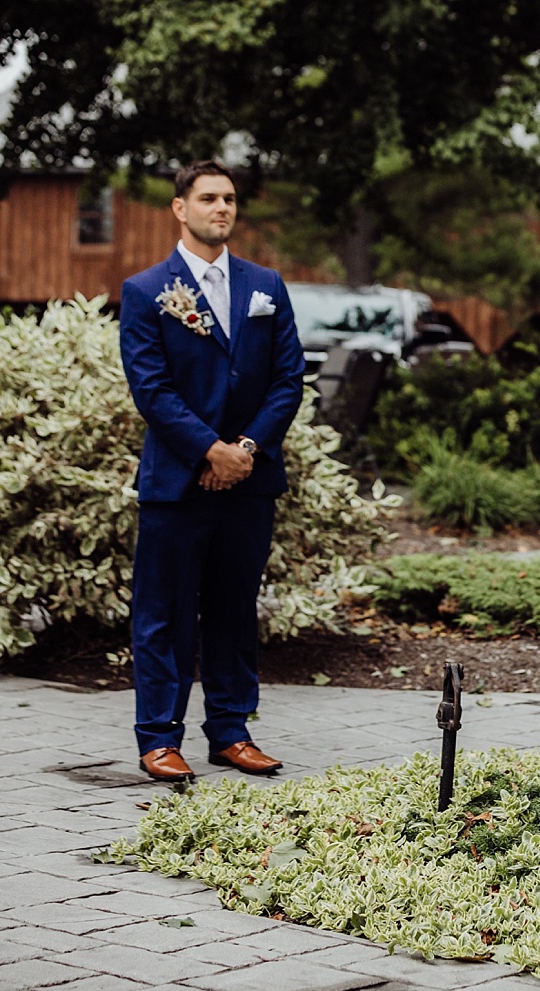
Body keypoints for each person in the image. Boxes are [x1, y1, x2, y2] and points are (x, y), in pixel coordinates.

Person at [119, 160, 306, 782]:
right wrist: (210, 451)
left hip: (248, 481)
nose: (221, 209)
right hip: (177, 483)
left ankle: (230, 732)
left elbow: (287, 380)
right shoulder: (148, 291)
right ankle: (158, 738)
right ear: (180, 208)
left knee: (234, 608)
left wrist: (244, 449)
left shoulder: (266, 286)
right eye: (208, 199)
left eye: (228, 199)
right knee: (164, 614)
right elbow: (152, 390)